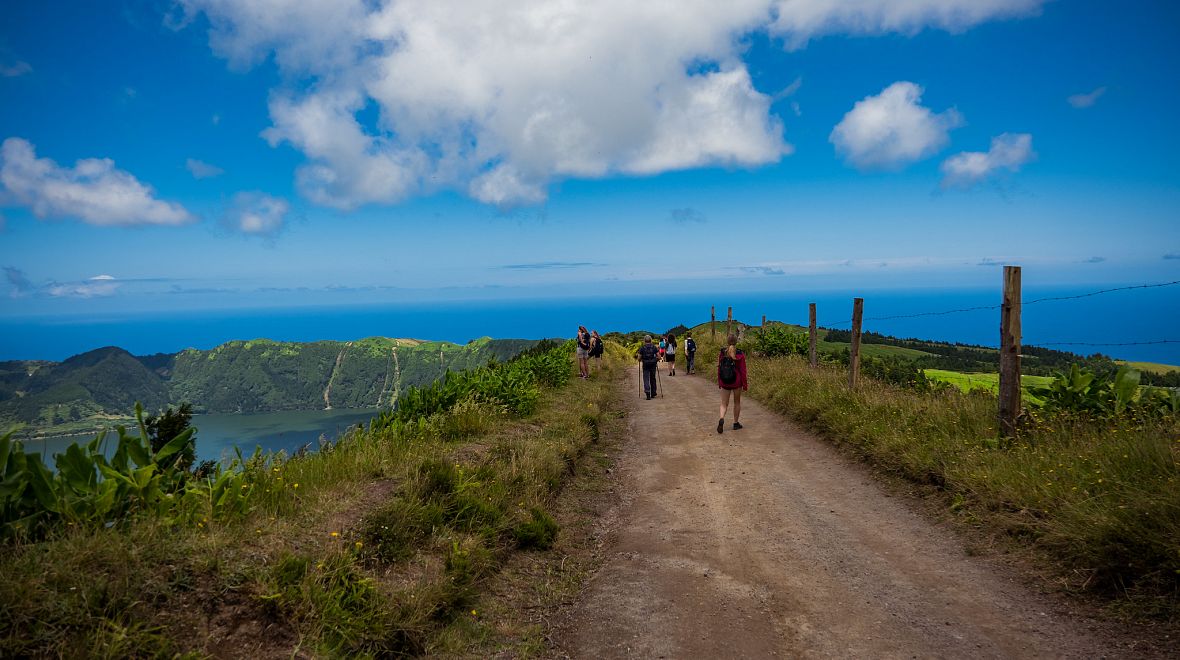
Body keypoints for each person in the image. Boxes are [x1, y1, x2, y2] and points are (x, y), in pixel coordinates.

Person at [716, 334, 747, 433]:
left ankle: (721, 418)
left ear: (727, 341)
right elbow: (743, 371)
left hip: (725, 381)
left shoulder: (722, 352)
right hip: (736, 381)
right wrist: (745, 384)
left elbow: (719, 368)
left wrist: (720, 382)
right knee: (737, 402)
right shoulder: (740, 354)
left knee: (724, 404)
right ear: (736, 341)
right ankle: (735, 423)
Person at [636, 335, 660, 399]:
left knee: (646, 378)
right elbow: (659, 357)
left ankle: (647, 393)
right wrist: (656, 360)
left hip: (645, 364)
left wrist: (640, 360)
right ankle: (653, 393)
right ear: (651, 340)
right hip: (653, 364)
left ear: (644, 341)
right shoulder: (654, 347)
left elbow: (639, 358)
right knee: (653, 378)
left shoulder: (642, 348)